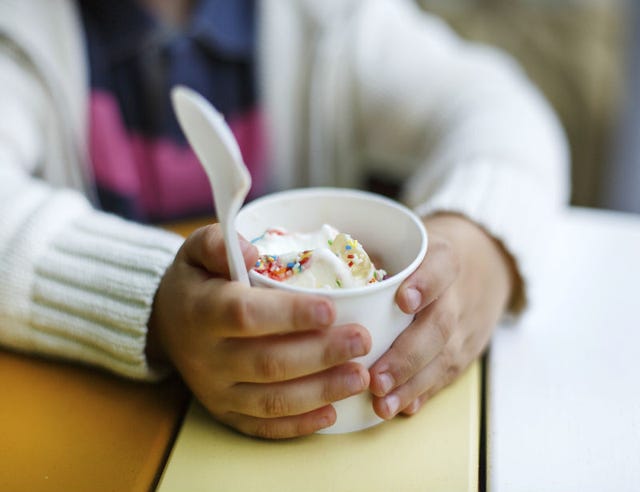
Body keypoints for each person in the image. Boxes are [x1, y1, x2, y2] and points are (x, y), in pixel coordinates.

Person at [0, 0, 568, 439]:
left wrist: (478, 242)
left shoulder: (331, 18)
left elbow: (502, 112)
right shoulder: (19, 31)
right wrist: (151, 302)